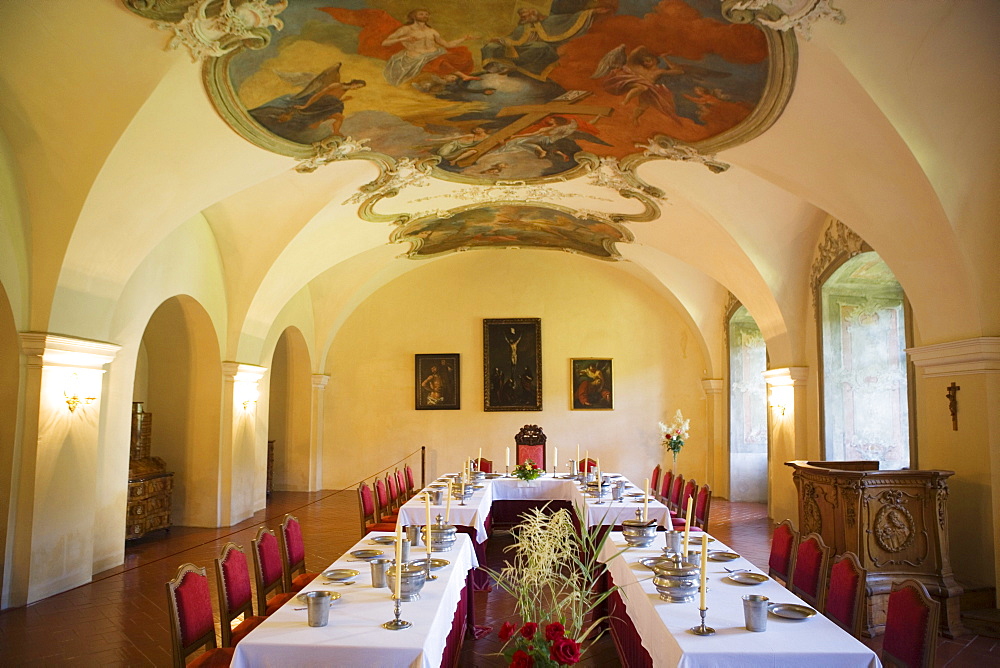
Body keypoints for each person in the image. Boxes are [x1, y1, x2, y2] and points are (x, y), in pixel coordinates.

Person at [481, 4, 610, 80]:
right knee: (490, 46)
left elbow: (572, 19)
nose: (524, 18)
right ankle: (497, 68)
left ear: (534, 12)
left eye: (526, 15)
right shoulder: (522, 28)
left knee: (539, 46)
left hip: (545, 51)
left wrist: (592, 12)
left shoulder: (552, 21)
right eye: (522, 17)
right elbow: (511, 38)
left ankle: (514, 67)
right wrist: (499, 40)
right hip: (522, 49)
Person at [381, 9, 476, 86]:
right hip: (417, 58)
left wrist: (463, 38)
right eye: (421, 14)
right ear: (414, 16)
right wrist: (404, 38)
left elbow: (447, 45)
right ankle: (463, 76)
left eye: (426, 14)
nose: (425, 16)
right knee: (440, 62)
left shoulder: (432, 31)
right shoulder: (406, 29)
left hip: (435, 53)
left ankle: (450, 80)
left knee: (462, 57)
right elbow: (385, 43)